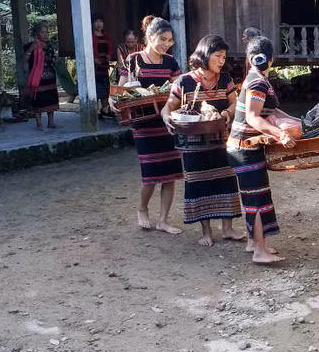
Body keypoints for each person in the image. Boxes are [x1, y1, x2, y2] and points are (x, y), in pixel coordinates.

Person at [161, 35, 245, 246]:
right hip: (193, 145)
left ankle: (228, 228)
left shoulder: (225, 79)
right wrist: (166, 117)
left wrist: (226, 112)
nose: (221, 61)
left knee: (226, 180)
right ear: (206, 55)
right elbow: (169, 106)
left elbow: (235, 104)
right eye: (218, 56)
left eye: (224, 57)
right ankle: (206, 231)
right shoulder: (185, 81)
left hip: (220, 140)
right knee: (199, 183)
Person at [226, 36, 298, 264]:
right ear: (272, 60)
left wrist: (300, 122)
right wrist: (281, 133)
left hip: (245, 147)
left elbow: (273, 113)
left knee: (256, 195)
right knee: (256, 198)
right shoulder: (257, 82)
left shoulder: (256, 79)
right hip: (244, 148)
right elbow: (253, 117)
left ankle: (252, 242)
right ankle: (259, 250)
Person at [117, 16, 184, 234]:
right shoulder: (134, 59)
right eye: (163, 39)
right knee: (151, 172)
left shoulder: (171, 62)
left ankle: (163, 220)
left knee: (171, 173)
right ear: (150, 37)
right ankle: (142, 208)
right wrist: (114, 99)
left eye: (170, 40)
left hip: (167, 122)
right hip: (143, 124)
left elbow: (179, 89)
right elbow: (122, 88)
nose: (167, 44)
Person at [22, 22, 60, 130]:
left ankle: (51, 122)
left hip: (50, 77)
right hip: (37, 78)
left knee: (51, 99)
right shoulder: (30, 45)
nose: (45, 34)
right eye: (42, 32)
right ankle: (39, 123)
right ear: (37, 33)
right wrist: (31, 49)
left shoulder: (49, 46)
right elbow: (24, 61)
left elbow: (52, 60)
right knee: (38, 100)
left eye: (47, 32)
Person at [92, 13, 114, 119]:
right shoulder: (90, 36)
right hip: (94, 67)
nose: (99, 24)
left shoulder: (107, 36)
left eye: (100, 22)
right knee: (96, 87)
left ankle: (105, 109)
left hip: (104, 66)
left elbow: (110, 48)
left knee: (105, 87)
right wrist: (93, 58)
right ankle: (95, 110)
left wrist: (109, 55)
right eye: (96, 22)